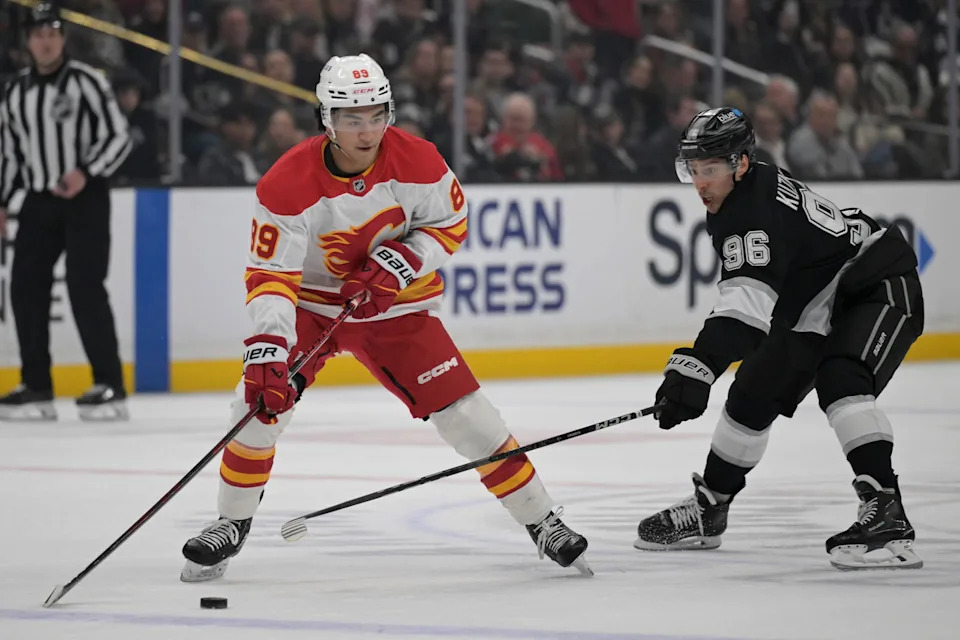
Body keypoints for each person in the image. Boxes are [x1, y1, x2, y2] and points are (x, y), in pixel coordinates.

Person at [179, 54, 590, 582]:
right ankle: (230, 523)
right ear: (326, 120)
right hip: (312, 306)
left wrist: (399, 264)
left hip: (399, 308)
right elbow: (271, 276)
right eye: (352, 118)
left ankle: (543, 520)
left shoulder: (418, 161)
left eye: (376, 114)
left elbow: (451, 223)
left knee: (469, 416)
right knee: (256, 405)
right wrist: (267, 351)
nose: (367, 130)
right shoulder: (286, 182)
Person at [635, 107, 924, 570]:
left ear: (741, 163)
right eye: (693, 170)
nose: (701, 182)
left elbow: (745, 313)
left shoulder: (750, 210)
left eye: (710, 169)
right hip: (817, 304)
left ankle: (887, 515)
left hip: (874, 283)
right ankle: (711, 508)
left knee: (843, 379)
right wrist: (699, 368)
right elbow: (751, 302)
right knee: (751, 394)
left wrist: (695, 368)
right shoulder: (745, 191)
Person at [0, 3, 131, 422]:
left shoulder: (86, 82)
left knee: (85, 286)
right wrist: (3, 201)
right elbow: (10, 154)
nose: (45, 40)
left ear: (63, 38)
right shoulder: (15, 92)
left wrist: (86, 172)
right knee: (24, 288)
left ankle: (109, 386)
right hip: (38, 201)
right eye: (38, 33)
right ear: (27, 40)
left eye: (53, 33)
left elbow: (119, 136)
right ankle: (36, 387)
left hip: (85, 197)